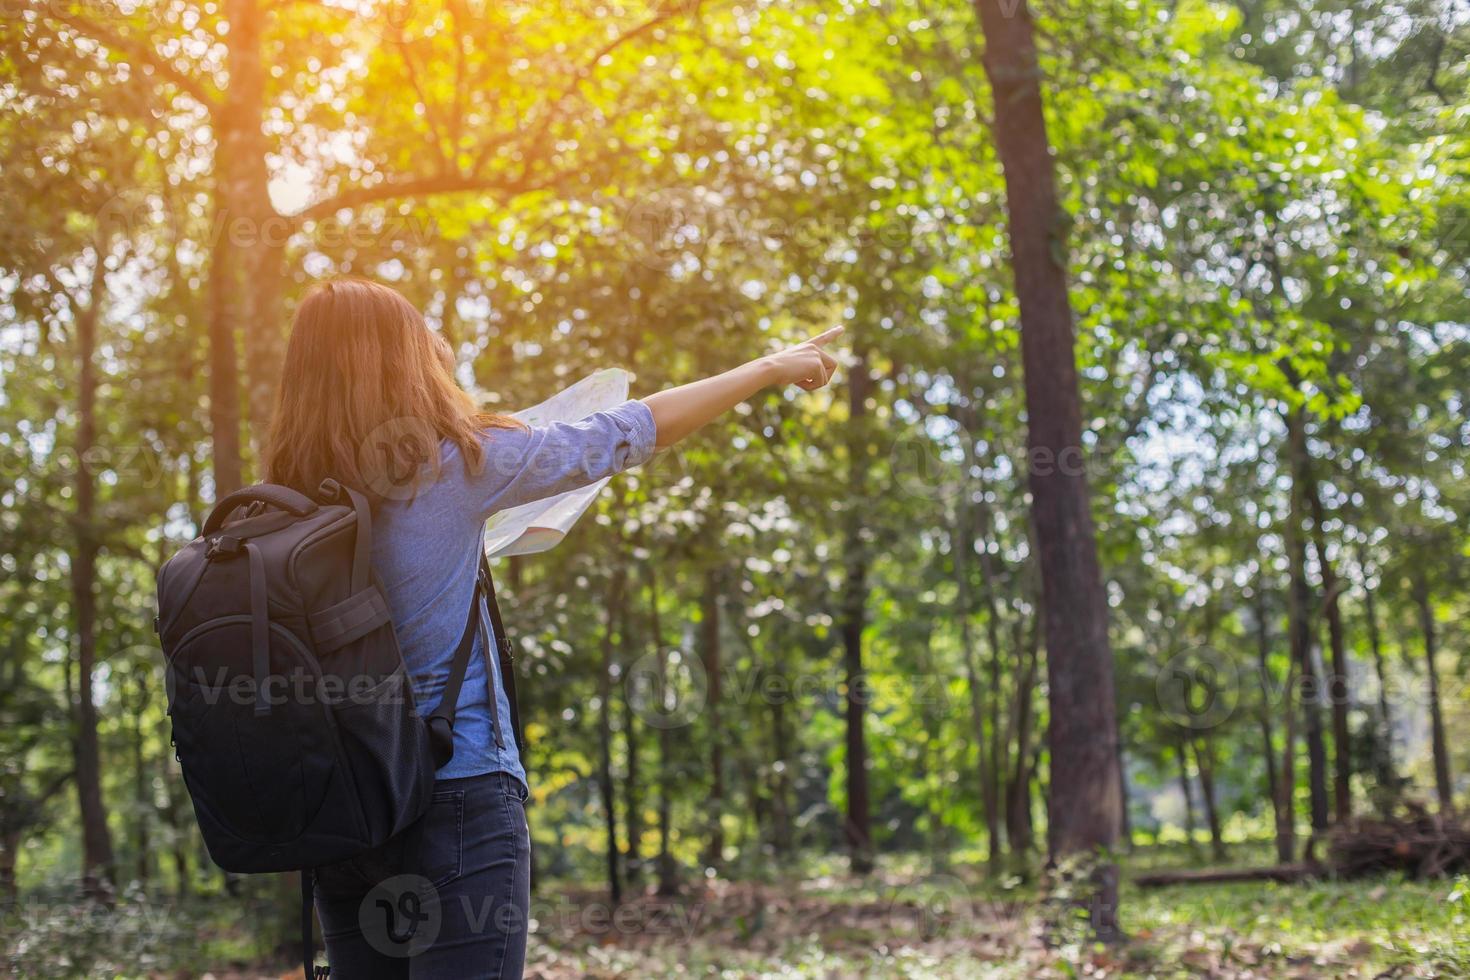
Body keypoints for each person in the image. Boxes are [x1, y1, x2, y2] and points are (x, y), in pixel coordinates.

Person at [261, 277, 842, 977]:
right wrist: (771, 367)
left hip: (346, 823)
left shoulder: (284, 508)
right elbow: (629, 431)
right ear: (400, 364)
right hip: (459, 804)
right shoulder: (454, 468)